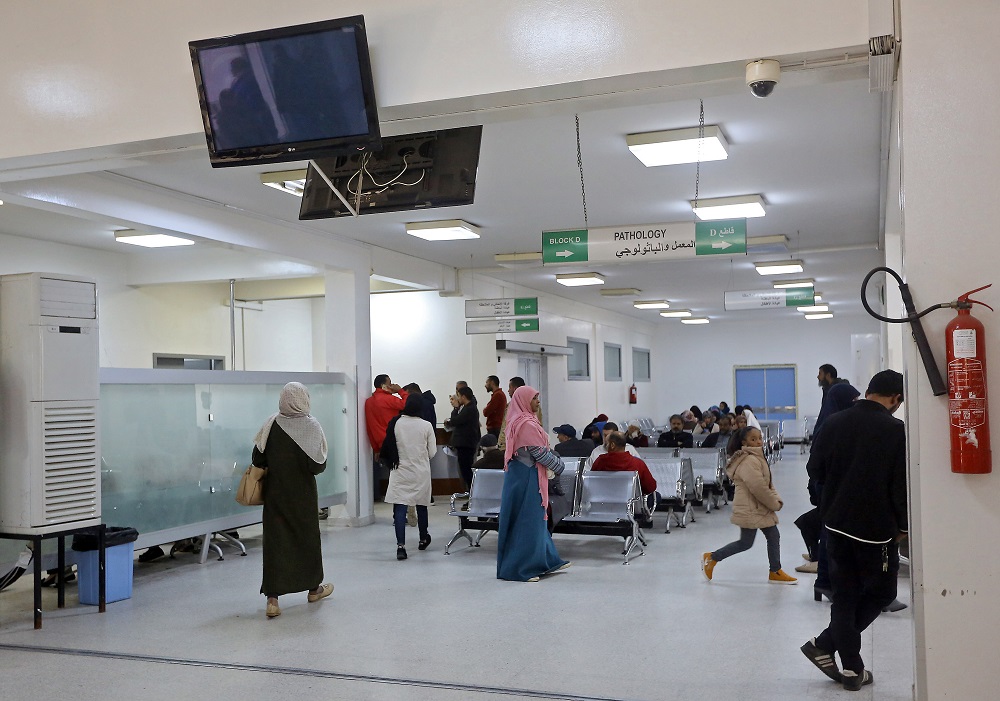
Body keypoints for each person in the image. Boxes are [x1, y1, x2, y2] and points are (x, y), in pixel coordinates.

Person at [801, 370, 906, 692]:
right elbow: (900, 483)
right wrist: (902, 526)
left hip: (835, 524)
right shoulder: (895, 429)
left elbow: (814, 468)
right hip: (876, 530)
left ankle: (848, 666)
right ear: (896, 399)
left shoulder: (835, 422)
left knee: (844, 598)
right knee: (882, 593)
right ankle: (831, 650)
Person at [252, 382, 333, 618]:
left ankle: (273, 600)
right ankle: (314, 589)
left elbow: (258, 457)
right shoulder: (312, 426)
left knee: (276, 542)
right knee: (307, 539)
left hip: (276, 494)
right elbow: (317, 466)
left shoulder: (271, 423)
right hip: (303, 496)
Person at [701, 426, 797, 585]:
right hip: (751, 508)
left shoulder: (756, 457)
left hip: (758, 507)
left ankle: (775, 571)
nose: (758, 441)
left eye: (760, 438)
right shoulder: (749, 460)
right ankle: (711, 558)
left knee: (772, 536)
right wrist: (773, 503)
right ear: (744, 442)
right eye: (753, 439)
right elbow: (757, 487)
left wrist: (776, 499)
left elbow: (767, 483)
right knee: (746, 543)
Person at [497, 385, 570, 582]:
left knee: (537, 519)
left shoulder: (520, 421)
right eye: (535, 398)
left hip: (522, 476)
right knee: (527, 521)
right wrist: (560, 466)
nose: (538, 401)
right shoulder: (526, 425)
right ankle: (520, 569)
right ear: (524, 401)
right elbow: (538, 452)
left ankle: (546, 560)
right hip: (527, 478)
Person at [795, 370, 860, 577]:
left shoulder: (837, 421)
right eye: (853, 399)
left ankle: (820, 561)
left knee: (823, 522)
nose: (856, 403)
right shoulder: (832, 425)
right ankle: (821, 564)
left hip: (829, 484)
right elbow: (817, 461)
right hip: (828, 484)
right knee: (827, 525)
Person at [385, 394, 436, 560]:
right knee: (421, 505)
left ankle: (401, 547)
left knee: (400, 508)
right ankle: (423, 538)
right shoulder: (426, 425)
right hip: (420, 471)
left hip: (400, 471)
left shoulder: (396, 423)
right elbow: (432, 452)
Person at [364, 375, 408, 500]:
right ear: (384, 385)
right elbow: (408, 404)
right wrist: (400, 390)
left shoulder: (369, 402)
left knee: (391, 474)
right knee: (400, 477)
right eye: (390, 383)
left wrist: (376, 449)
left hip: (380, 443)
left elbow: (369, 427)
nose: (392, 385)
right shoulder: (388, 399)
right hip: (395, 442)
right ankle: (399, 504)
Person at [592, 432, 657, 495]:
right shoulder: (638, 464)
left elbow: (591, 484)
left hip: (604, 502)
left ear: (612, 445)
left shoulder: (600, 462)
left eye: (607, 444)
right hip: (630, 504)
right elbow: (650, 488)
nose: (606, 446)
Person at [444, 386, 481, 490]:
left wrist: (454, 412)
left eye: (459, 396)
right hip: (464, 444)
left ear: (464, 397)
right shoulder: (467, 408)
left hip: (466, 444)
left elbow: (455, 421)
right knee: (465, 470)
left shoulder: (470, 408)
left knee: (466, 470)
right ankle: (470, 494)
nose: (458, 399)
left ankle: (471, 495)